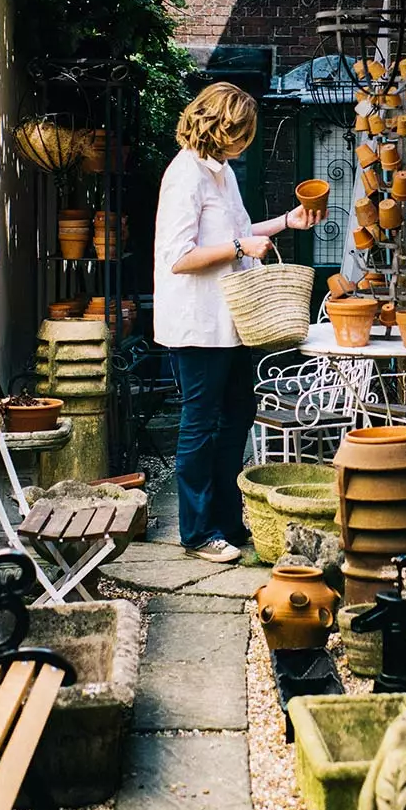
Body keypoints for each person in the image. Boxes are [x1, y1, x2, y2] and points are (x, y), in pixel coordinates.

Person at [153, 81, 323, 564]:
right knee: (200, 426)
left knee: (237, 420)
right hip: (197, 323)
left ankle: (228, 521)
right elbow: (177, 258)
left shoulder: (221, 174)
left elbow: (242, 232)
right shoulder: (184, 176)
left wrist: (286, 222)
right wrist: (236, 249)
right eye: (242, 133)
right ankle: (198, 532)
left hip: (231, 323)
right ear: (220, 127)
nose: (246, 142)